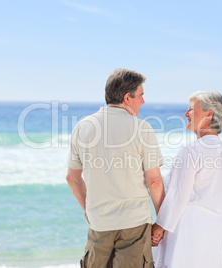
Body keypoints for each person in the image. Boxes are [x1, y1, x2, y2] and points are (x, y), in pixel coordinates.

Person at [66, 68, 165, 268]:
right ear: (128, 98)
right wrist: (161, 223)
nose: (143, 102)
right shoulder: (142, 128)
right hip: (135, 225)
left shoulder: (82, 127)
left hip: (99, 223)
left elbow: (72, 178)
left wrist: (91, 210)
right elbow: (154, 181)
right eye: (141, 96)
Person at [151, 91, 222, 268]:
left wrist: (159, 226)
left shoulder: (191, 151)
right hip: (213, 235)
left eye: (191, 109)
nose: (186, 114)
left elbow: (179, 195)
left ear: (209, 114)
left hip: (185, 233)